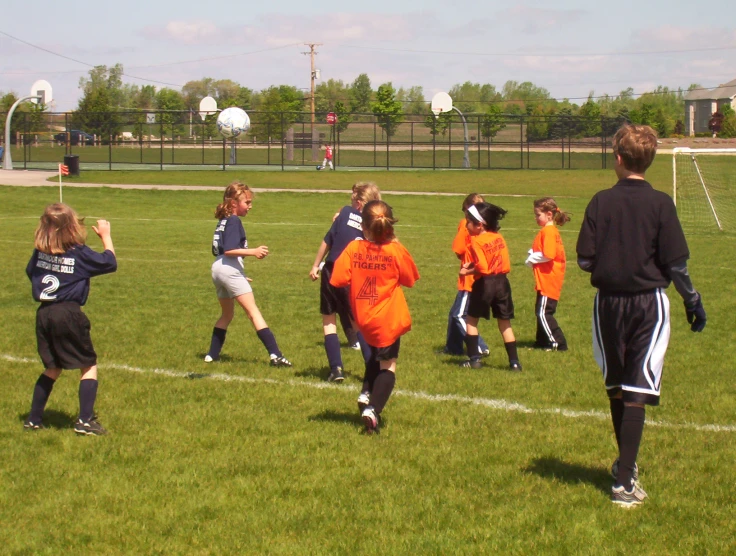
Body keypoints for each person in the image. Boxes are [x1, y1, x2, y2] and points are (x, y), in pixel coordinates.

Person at [576, 124, 707, 508]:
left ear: (617, 159)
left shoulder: (600, 201)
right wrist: (692, 300)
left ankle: (625, 472)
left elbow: (585, 259)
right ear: (648, 161)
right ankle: (624, 480)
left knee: (621, 388)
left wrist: (613, 259)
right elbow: (676, 264)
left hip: (608, 305)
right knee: (634, 389)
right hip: (650, 302)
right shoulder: (662, 203)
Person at [24, 203, 117, 435]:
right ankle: (85, 420)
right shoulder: (78, 252)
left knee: (52, 367)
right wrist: (106, 237)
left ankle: (33, 419)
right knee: (88, 364)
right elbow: (109, 262)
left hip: (44, 313)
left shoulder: (39, 252)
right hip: (68, 313)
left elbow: (31, 272)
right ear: (72, 227)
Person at [330, 200, 419, 433]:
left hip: (363, 319)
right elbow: (410, 279)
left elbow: (338, 279)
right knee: (388, 367)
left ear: (364, 227)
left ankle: (366, 393)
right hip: (387, 319)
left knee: (374, 360)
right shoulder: (395, 250)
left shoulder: (354, 248)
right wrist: (396, 245)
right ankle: (373, 409)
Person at [204, 181, 292, 367]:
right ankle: (276, 355)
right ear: (234, 203)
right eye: (247, 202)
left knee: (227, 315)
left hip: (218, 268)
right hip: (228, 267)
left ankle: (211, 355)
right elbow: (229, 250)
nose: (250, 206)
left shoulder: (224, 220)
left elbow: (222, 252)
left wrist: (239, 275)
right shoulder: (234, 220)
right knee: (254, 312)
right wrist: (254, 251)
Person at [309, 182, 381, 382]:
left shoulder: (344, 213)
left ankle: (336, 370)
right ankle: (372, 370)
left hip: (332, 270)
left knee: (329, 320)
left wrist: (316, 265)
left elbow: (327, 241)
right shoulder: (372, 224)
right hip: (354, 274)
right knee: (358, 324)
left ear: (357, 203)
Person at [460, 202, 521, 371]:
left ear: (480, 225)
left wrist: (468, 270)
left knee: (471, 321)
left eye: (468, 222)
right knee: (505, 323)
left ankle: (474, 360)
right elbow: (503, 263)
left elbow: (483, 268)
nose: (466, 225)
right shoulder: (499, 237)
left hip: (485, 284)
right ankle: (514, 362)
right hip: (502, 282)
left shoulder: (476, 241)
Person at [442, 193, 490, 357]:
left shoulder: (465, 224)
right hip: (483, 276)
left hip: (469, 277)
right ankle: (453, 347)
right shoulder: (487, 226)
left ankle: (480, 346)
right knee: (454, 312)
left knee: (458, 315)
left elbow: (458, 248)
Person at [525, 197, 571, 352]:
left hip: (549, 279)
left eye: (538, 215)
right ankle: (542, 342)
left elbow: (549, 254)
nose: (536, 218)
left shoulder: (549, 232)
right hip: (544, 279)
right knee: (540, 311)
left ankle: (558, 343)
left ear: (549, 215)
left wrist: (532, 258)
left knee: (544, 313)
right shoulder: (547, 231)